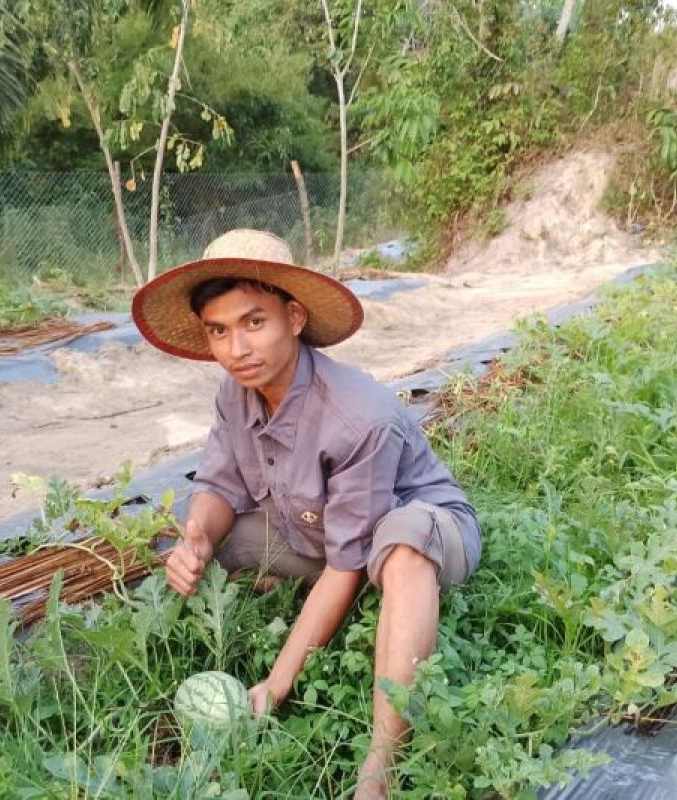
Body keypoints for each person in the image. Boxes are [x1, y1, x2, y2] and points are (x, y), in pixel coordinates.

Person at [132, 229, 482, 798]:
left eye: (253, 323)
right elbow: (220, 481)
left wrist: (277, 682)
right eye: (218, 331)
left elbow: (349, 561)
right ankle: (284, 581)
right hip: (314, 530)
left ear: (293, 318)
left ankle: (381, 770)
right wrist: (195, 538)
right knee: (193, 547)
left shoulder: (357, 416)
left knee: (403, 550)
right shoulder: (234, 393)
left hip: (416, 524)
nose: (236, 349)